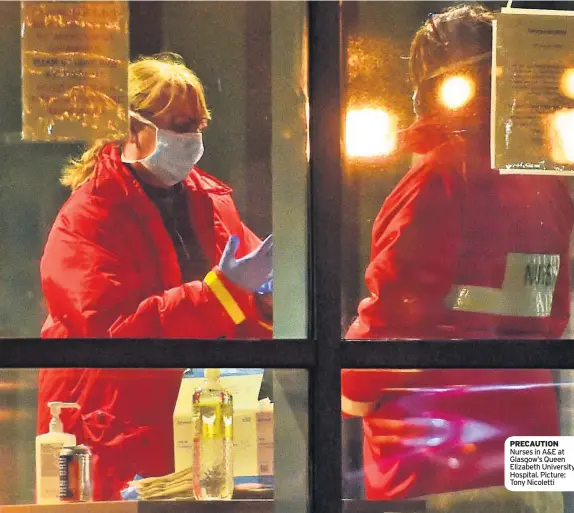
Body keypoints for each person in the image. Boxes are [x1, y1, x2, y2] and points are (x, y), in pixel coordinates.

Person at [342, 4, 574, 501]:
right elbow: (552, 315)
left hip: (442, 447)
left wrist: (347, 385)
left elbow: (396, 315)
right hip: (533, 441)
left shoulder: (441, 177)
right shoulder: (547, 181)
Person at [37, 53, 273, 500]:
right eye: (180, 124)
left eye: (199, 124)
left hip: (202, 421)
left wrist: (267, 305)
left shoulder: (213, 201)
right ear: (130, 126)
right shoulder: (88, 217)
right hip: (115, 432)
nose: (193, 137)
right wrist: (221, 295)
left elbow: (243, 305)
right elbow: (111, 332)